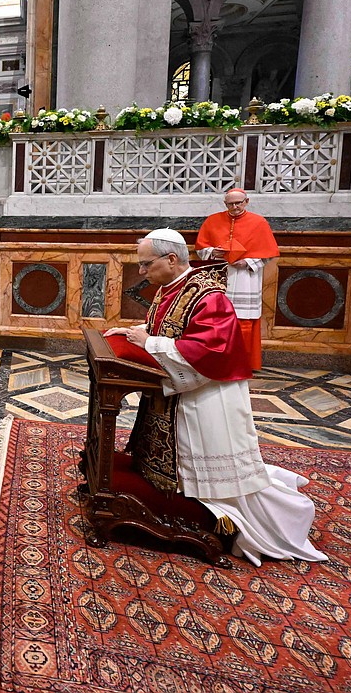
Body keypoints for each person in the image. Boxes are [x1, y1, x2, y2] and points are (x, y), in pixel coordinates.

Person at [104, 229, 326, 567]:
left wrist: (148, 343)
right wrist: (135, 334)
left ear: (172, 259)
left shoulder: (209, 296)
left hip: (206, 398)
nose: (142, 272)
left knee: (213, 475)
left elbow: (210, 352)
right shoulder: (173, 288)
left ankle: (262, 517)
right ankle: (176, 486)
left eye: (146, 264)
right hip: (184, 394)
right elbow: (169, 329)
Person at [195, 187, 279, 371]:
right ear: (225, 204)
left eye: (238, 203)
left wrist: (248, 261)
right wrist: (213, 252)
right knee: (216, 318)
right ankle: (218, 358)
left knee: (244, 320)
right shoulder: (213, 220)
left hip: (245, 277)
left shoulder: (259, 223)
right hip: (219, 274)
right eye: (230, 204)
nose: (235, 207)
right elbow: (201, 248)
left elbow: (269, 253)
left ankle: (243, 362)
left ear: (246, 202)